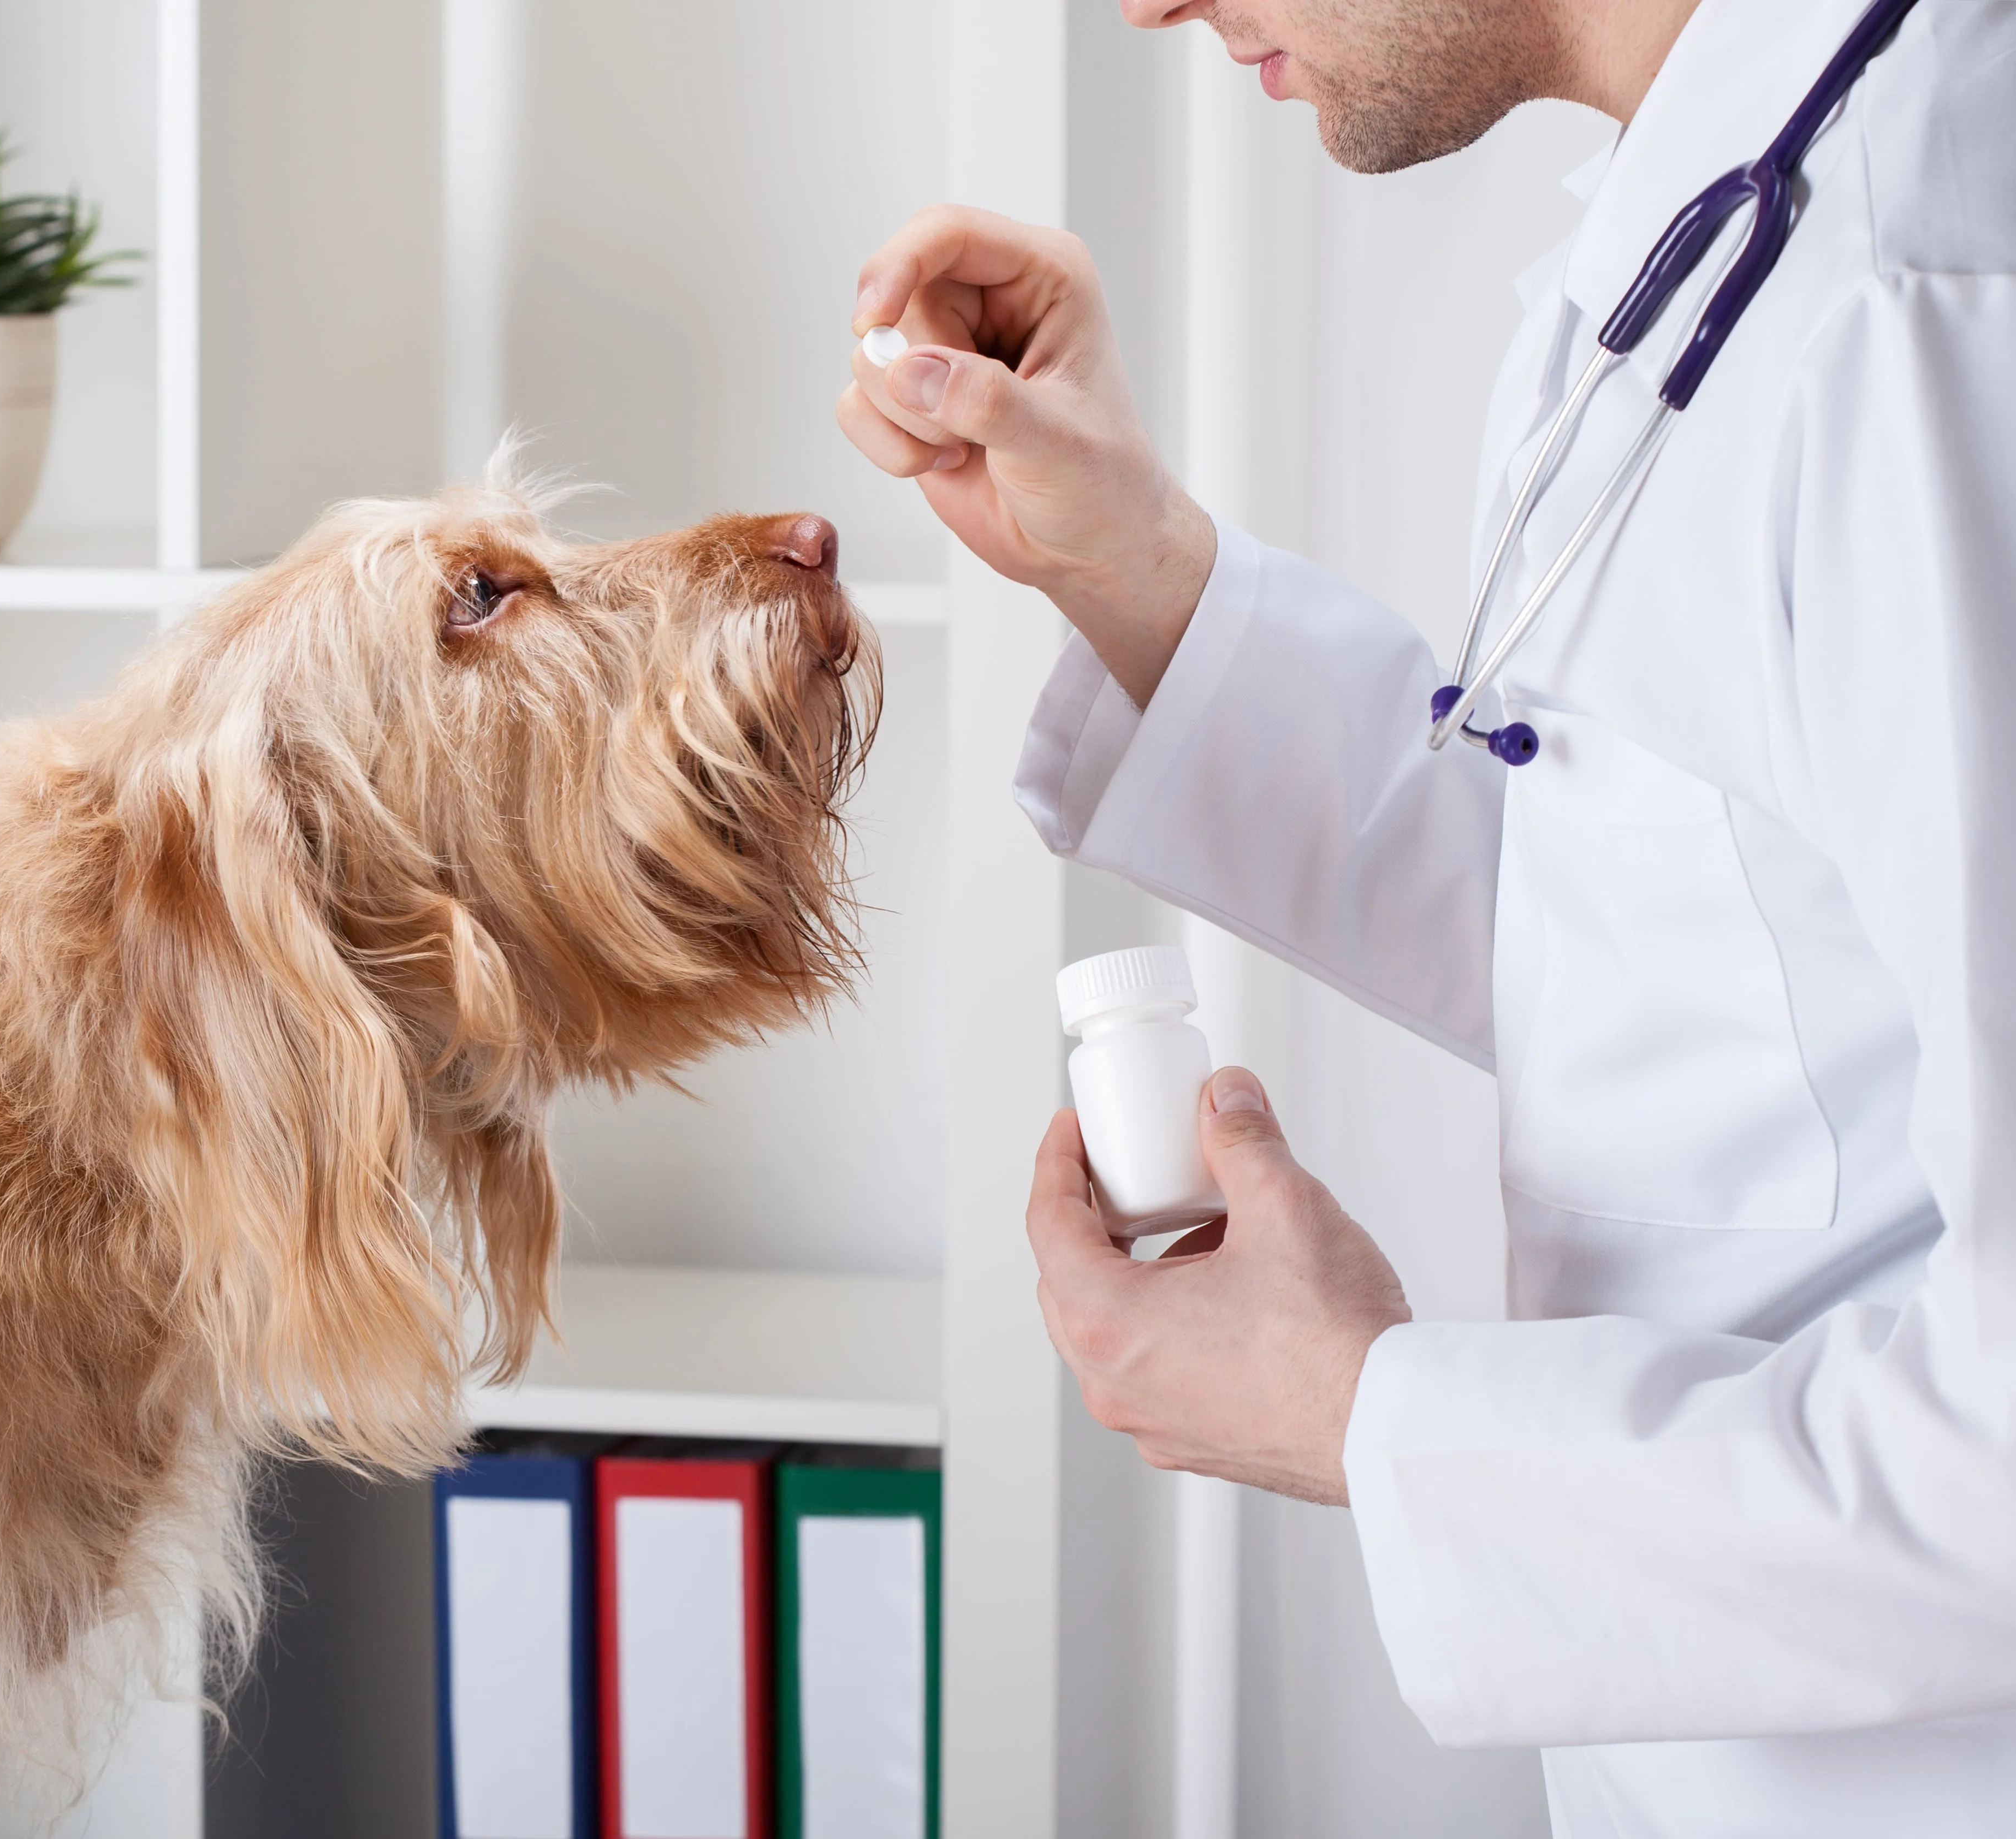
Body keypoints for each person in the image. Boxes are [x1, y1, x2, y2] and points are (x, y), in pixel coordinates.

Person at [840, 0, 2016, 1831]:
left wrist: (1362, 1418)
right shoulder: (1723, 225)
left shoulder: (1932, 301)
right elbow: (1706, 954)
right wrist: (1136, 565)